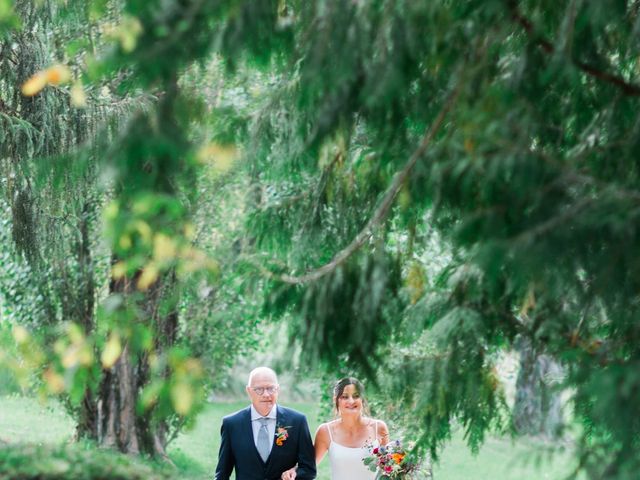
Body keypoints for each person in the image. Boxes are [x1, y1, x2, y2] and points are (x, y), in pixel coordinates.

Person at [215, 367, 317, 480]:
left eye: (271, 388)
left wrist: (294, 474)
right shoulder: (231, 424)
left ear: (278, 389)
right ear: (249, 391)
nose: (266, 394)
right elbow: (222, 473)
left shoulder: (297, 421)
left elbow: (309, 469)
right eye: (259, 389)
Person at [282, 377, 389, 480]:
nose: (351, 401)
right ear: (336, 400)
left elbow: (388, 470)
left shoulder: (378, 428)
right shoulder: (325, 431)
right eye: (345, 397)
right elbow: (309, 465)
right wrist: (293, 471)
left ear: (362, 399)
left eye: (356, 396)